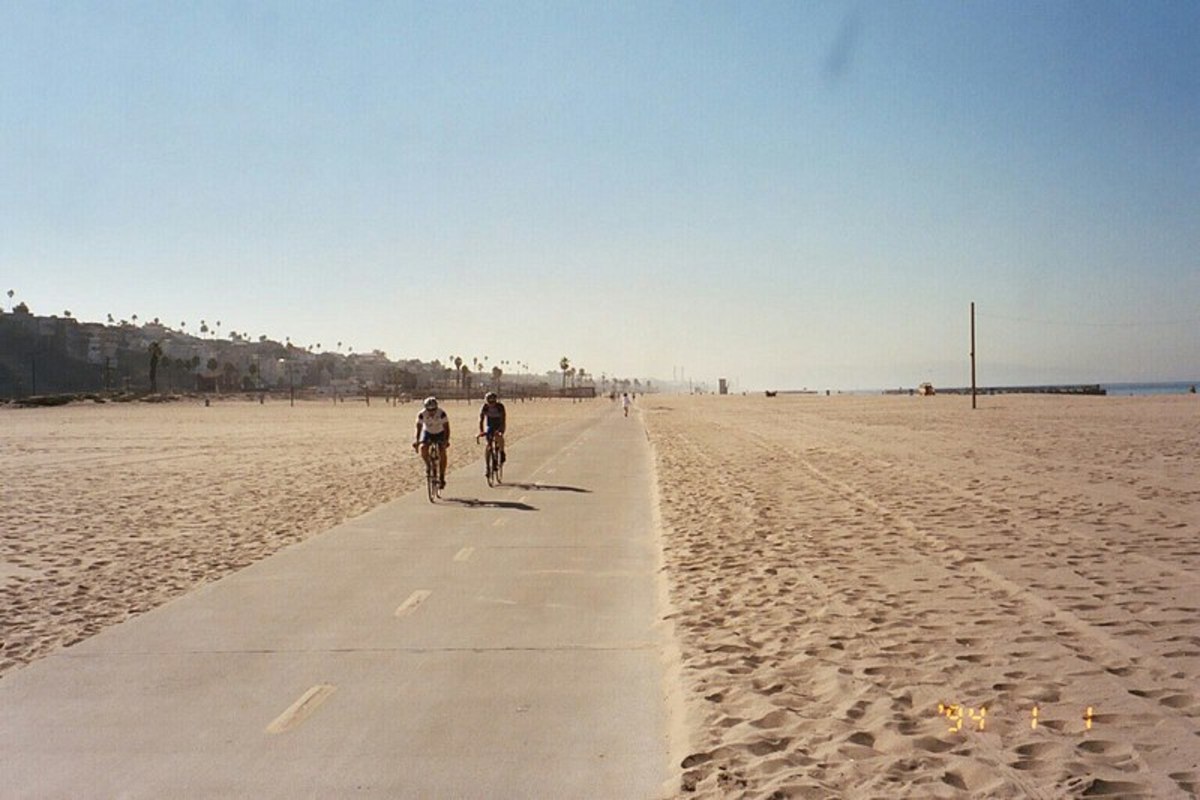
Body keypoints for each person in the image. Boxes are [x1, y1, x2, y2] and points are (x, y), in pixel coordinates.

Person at [413, 396, 450, 489]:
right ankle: (428, 465)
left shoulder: (442, 413)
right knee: (423, 448)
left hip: (440, 433)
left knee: (442, 452)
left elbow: (447, 428)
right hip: (428, 433)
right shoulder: (422, 414)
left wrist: (446, 440)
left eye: (433, 409)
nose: (431, 412)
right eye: (429, 410)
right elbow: (418, 428)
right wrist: (417, 441)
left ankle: (442, 476)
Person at [478, 391, 507, 470]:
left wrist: (501, 430)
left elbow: (503, 420)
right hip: (490, 423)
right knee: (488, 444)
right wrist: (481, 431)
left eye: (493, 402)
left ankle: (502, 452)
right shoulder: (484, 407)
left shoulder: (500, 407)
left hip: (499, 423)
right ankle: (488, 466)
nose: (491, 404)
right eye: (489, 402)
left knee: (499, 437)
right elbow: (481, 420)